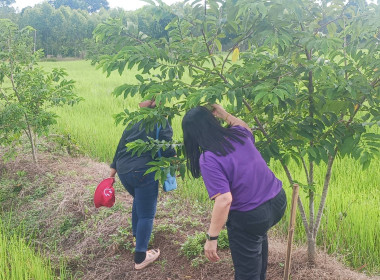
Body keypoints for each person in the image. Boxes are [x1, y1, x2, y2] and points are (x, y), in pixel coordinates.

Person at [182, 104, 287, 280]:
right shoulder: (238, 135)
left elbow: (224, 199)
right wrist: (225, 115)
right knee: (257, 239)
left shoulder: (209, 158)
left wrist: (212, 238)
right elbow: (244, 126)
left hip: (252, 215)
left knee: (247, 273)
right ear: (212, 122)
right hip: (277, 201)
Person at [109, 99, 176, 270]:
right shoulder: (161, 120)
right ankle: (140, 258)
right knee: (146, 214)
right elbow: (167, 146)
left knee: (139, 202)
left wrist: (113, 170)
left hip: (124, 171)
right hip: (143, 172)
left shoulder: (134, 120)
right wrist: (175, 162)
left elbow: (120, 145)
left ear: (151, 102)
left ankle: (136, 238)